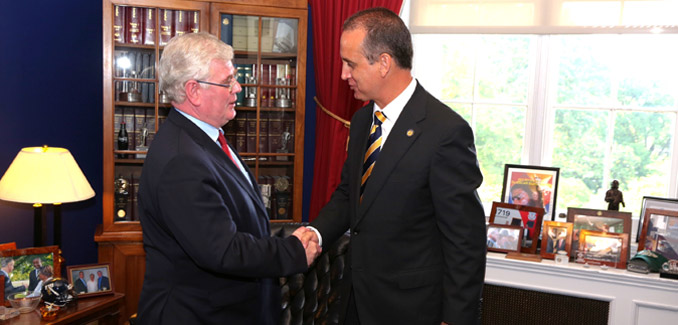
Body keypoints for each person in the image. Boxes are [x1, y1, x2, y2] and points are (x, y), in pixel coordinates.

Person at [301, 8, 486, 324]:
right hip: (356, 301)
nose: (344, 74)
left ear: (383, 63)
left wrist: (455, 318)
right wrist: (316, 233)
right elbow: (350, 195)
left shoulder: (444, 131)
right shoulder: (362, 121)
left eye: (351, 64)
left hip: (411, 309)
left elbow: (465, 240)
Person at [136, 32, 319, 325]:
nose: (238, 87)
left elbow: (237, 219)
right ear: (193, 91)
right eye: (227, 81)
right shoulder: (181, 160)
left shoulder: (206, 138)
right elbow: (222, 250)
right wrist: (292, 251)